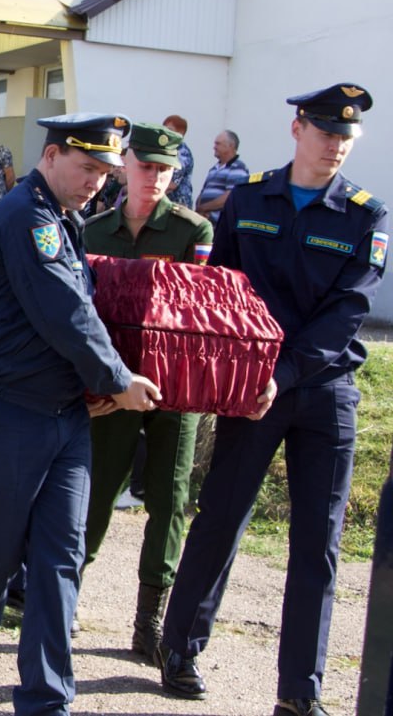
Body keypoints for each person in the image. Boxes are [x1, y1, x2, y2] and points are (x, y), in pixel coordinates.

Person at [159, 84, 387, 716]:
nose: (336, 146)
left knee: (318, 542)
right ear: (297, 130)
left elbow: (346, 315)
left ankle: (299, 690)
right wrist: (220, 370)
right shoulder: (250, 197)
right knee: (221, 515)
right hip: (248, 386)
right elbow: (220, 290)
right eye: (325, 133)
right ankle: (178, 650)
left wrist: (280, 375)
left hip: (321, 391)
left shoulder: (367, 216)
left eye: (346, 138)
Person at [0, 112, 161, 714]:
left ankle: (45, 699)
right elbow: (64, 310)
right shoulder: (26, 215)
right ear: (53, 154)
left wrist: (100, 383)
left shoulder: (65, 218)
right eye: (87, 167)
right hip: (5, 410)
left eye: (105, 172)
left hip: (62, 414)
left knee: (60, 555)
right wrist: (117, 378)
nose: (96, 182)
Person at [81, 122, 213, 665]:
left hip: (173, 390)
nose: (153, 177)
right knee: (92, 493)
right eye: (145, 165)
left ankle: (149, 620)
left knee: (170, 499)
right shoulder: (91, 230)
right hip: (111, 386)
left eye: (164, 168)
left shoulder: (192, 229)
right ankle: (59, 592)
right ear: (124, 166)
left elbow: (199, 312)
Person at [196, 129, 250, 222]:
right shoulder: (213, 169)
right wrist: (199, 210)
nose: (214, 147)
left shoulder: (237, 168)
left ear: (231, 146)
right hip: (205, 222)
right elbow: (203, 193)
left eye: (218, 144)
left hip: (221, 224)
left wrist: (204, 208)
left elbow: (230, 197)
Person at [162, 114, 195, 208]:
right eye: (164, 129)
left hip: (179, 204)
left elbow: (172, 184)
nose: (165, 132)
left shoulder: (182, 153)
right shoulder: (167, 150)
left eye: (169, 129)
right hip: (166, 203)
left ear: (180, 133)